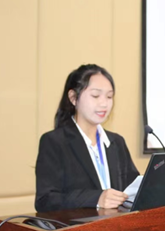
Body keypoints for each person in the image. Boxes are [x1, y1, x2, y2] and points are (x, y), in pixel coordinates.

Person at [35, 64, 139, 212]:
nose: (104, 103)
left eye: (109, 96)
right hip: (77, 226)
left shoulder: (116, 142)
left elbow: (132, 188)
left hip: (117, 224)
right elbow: (45, 200)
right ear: (73, 98)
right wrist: (96, 198)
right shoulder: (54, 142)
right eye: (95, 96)